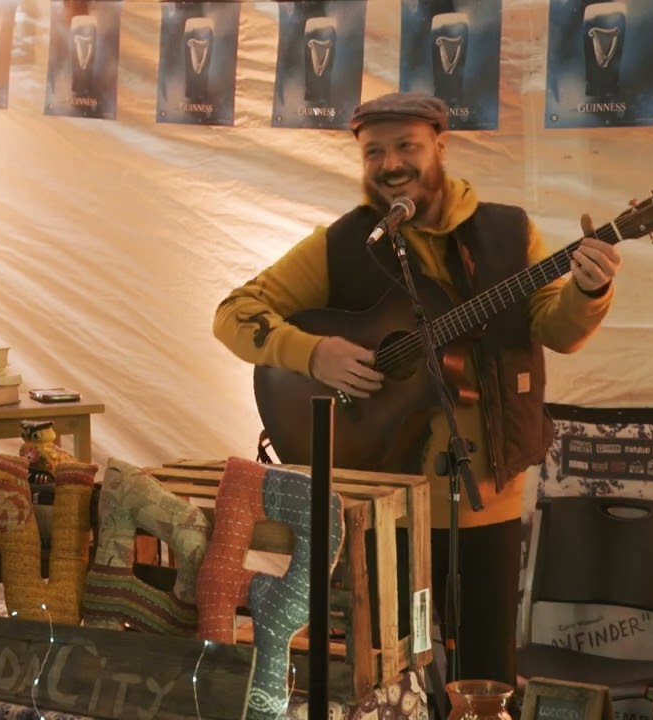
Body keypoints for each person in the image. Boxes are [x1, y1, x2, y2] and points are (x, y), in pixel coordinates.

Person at [211, 92, 620, 687]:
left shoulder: (509, 233)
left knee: (487, 672)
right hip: (385, 507)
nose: (391, 162)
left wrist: (588, 291)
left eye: (407, 145)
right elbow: (234, 312)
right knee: (396, 673)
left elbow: (555, 329)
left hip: (487, 496)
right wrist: (314, 352)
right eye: (374, 151)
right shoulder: (342, 242)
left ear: (440, 146)